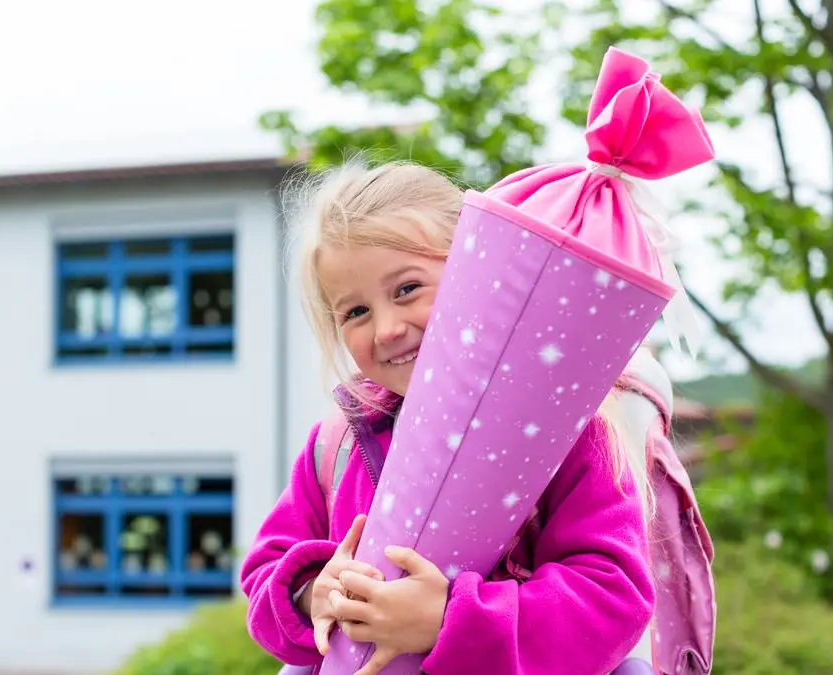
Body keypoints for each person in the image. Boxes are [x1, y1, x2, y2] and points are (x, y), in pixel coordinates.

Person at [240, 160, 661, 675]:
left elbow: (611, 598)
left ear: (476, 274)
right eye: (355, 312)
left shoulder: (566, 429)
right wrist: (312, 594)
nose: (388, 328)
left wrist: (449, 620)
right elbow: (264, 571)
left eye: (406, 289)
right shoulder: (338, 443)